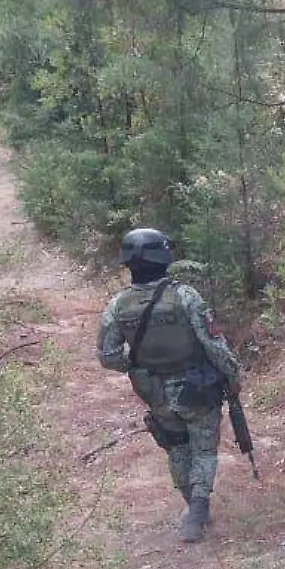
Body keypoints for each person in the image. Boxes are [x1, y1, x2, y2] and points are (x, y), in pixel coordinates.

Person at [97, 228, 244, 543]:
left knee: (176, 448)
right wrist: (233, 378)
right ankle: (199, 508)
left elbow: (108, 357)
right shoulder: (185, 296)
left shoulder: (117, 306)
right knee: (203, 450)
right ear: (164, 256)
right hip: (197, 388)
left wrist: (139, 365)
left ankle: (193, 508)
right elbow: (214, 344)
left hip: (155, 392)